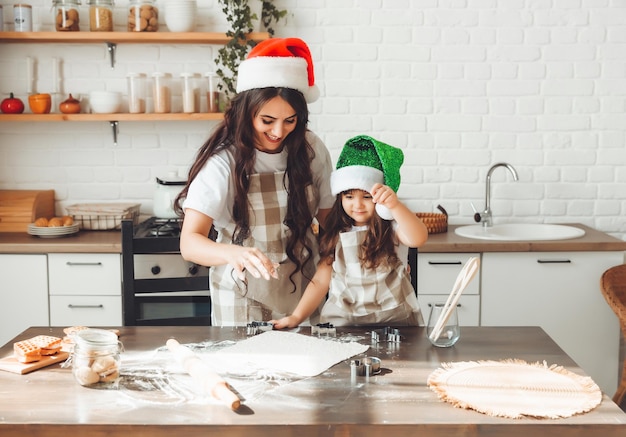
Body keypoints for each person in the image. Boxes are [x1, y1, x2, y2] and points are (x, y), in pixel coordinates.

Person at [174, 38, 334, 326]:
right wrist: (234, 252)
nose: (278, 131)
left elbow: (329, 223)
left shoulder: (310, 149)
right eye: (267, 120)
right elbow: (190, 243)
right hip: (241, 294)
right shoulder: (223, 162)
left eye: (290, 121)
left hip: (304, 288)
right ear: (247, 113)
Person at [272, 135, 429, 328]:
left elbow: (418, 238)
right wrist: (296, 317)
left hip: (394, 319)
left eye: (366, 196)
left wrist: (395, 206)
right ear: (340, 198)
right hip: (344, 322)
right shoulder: (336, 233)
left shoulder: (393, 227)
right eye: (349, 196)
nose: (358, 205)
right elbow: (321, 280)